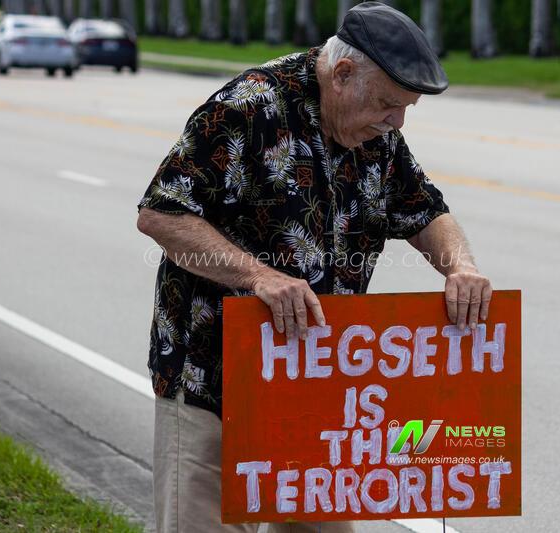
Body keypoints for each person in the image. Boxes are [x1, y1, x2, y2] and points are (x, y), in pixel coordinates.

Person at [136, 3, 492, 532]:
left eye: (406, 109)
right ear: (343, 74)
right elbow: (161, 215)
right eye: (390, 104)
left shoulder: (376, 134)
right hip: (215, 382)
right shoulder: (247, 108)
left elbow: (424, 209)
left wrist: (460, 267)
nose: (397, 121)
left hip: (314, 390)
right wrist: (261, 277)